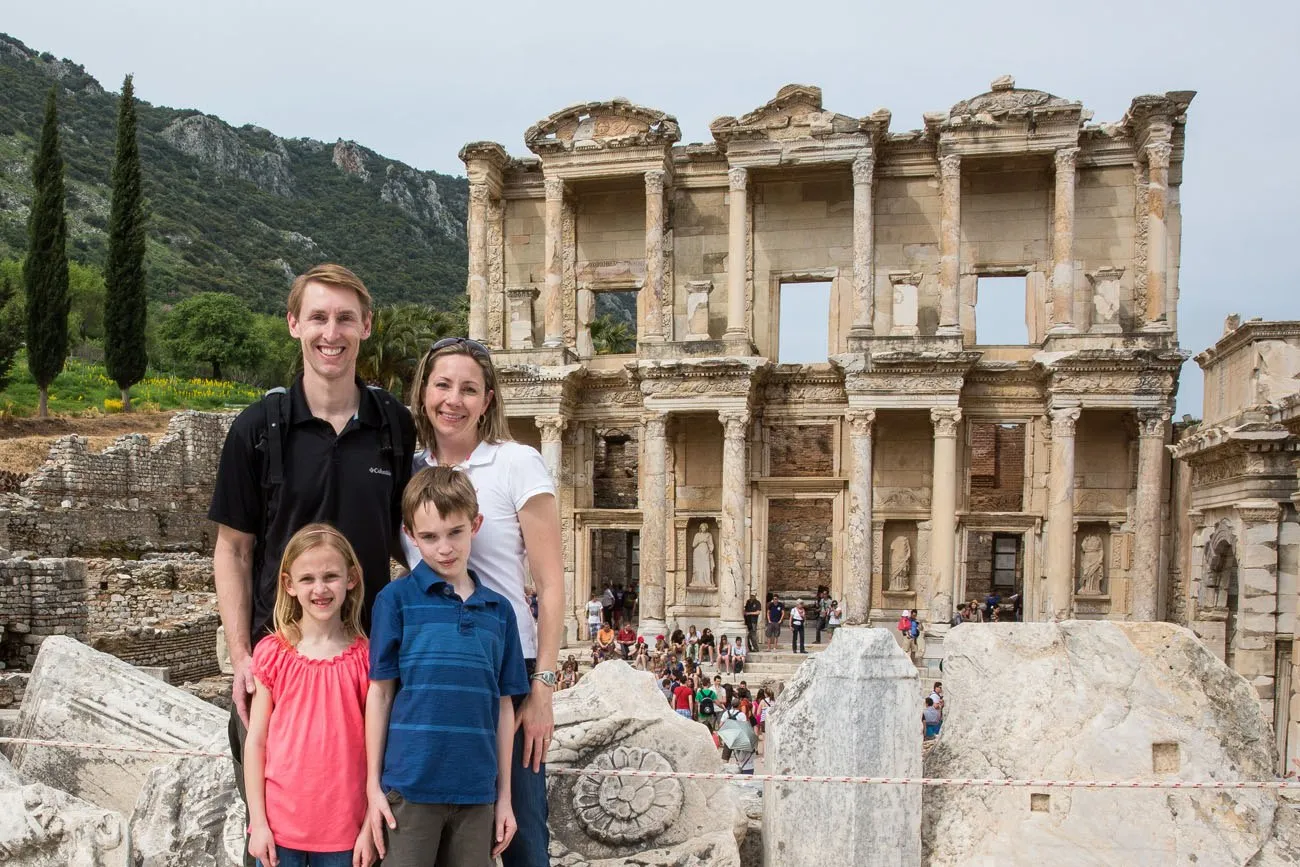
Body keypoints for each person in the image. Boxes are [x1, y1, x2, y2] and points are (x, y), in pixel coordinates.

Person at [209, 264, 416, 867]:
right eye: (319, 317)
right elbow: (234, 549)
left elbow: (414, 541)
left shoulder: (392, 427)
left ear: (366, 327)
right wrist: (244, 654)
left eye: (346, 318)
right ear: (294, 324)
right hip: (280, 667)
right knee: (270, 832)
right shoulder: (257, 430)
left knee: (364, 835)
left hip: (367, 670)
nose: (333, 332)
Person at [402, 336, 563, 867]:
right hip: (431, 671)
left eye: (469, 389)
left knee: (521, 832)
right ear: (424, 391)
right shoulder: (407, 470)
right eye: (443, 385)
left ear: (488, 399)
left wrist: (542, 686)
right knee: (441, 829)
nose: (455, 399)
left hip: (507, 669)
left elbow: (551, 581)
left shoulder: (517, 462)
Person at [366, 466, 531, 865]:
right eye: (429, 537)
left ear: (475, 525)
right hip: (409, 789)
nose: (444, 548)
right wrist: (372, 787)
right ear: (410, 535)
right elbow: (381, 693)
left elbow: (504, 706)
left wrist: (504, 797)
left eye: (455, 532)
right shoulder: (395, 601)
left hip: (477, 792)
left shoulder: (500, 611)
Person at [244, 524, 373, 867]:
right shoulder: (272, 653)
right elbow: (256, 742)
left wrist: (369, 827)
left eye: (331, 576)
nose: (320, 589)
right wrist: (258, 823)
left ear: (351, 578)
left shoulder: (367, 660)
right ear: (289, 584)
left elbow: (379, 751)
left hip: (344, 836)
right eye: (307, 579)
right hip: (279, 833)